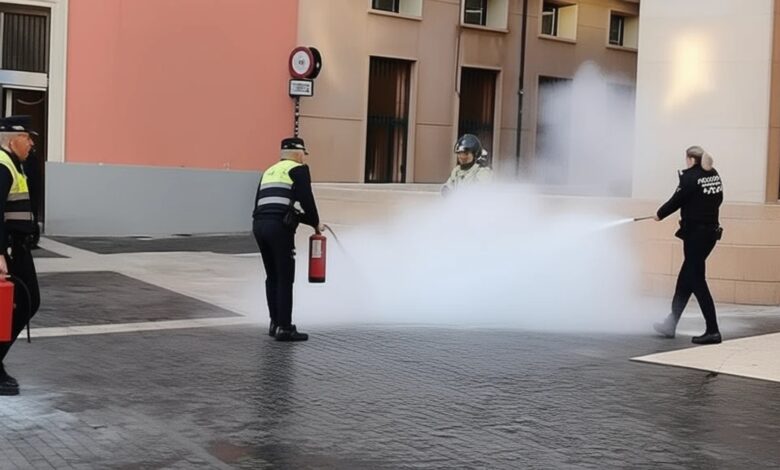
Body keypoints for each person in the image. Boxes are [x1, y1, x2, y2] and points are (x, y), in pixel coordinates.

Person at [253, 137, 323, 342]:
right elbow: (307, 200)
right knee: (285, 277)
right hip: (279, 229)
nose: (304, 158)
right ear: (299, 153)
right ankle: (285, 327)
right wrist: (315, 223)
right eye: (303, 154)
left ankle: (274, 323)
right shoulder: (299, 170)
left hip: (259, 225)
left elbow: (262, 202)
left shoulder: (269, 171)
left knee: (272, 276)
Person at [653, 146, 724, 345]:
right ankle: (670, 323)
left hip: (695, 236)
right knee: (685, 280)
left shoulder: (690, 177)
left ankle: (713, 330)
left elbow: (677, 200)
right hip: (710, 234)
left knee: (697, 281)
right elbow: (719, 199)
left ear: (691, 159)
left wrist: (659, 214)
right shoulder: (713, 174)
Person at [0, 116, 42, 395]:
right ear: (11, 138)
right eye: (27, 137)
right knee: (26, 302)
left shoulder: (14, 164)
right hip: (10, 250)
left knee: (23, 304)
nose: (31, 142)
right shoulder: (2, 166)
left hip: (18, 247)